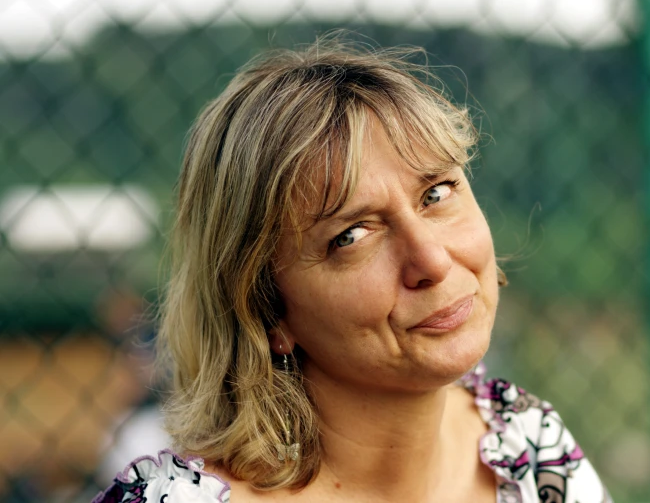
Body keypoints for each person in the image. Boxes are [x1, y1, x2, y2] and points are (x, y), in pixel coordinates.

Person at [92, 36, 612, 503]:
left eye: (437, 193)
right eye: (352, 235)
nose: (431, 260)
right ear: (265, 310)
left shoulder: (532, 452)